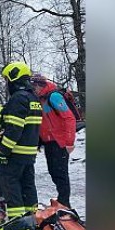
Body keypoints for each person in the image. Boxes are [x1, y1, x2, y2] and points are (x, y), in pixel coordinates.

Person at [0, 62, 43, 220]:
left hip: (15, 155)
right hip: (28, 155)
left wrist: (3, 152)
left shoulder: (18, 99)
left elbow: (14, 130)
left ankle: (18, 225)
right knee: (28, 188)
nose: (7, 84)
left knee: (12, 190)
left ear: (13, 78)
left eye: (7, 80)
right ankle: (33, 220)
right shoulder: (33, 98)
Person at [31, 75, 77, 208]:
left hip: (59, 142)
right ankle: (62, 200)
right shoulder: (41, 99)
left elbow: (69, 118)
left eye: (35, 87)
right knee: (53, 172)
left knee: (60, 173)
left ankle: (65, 203)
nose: (34, 90)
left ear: (41, 85)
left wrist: (69, 142)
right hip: (49, 142)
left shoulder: (53, 97)